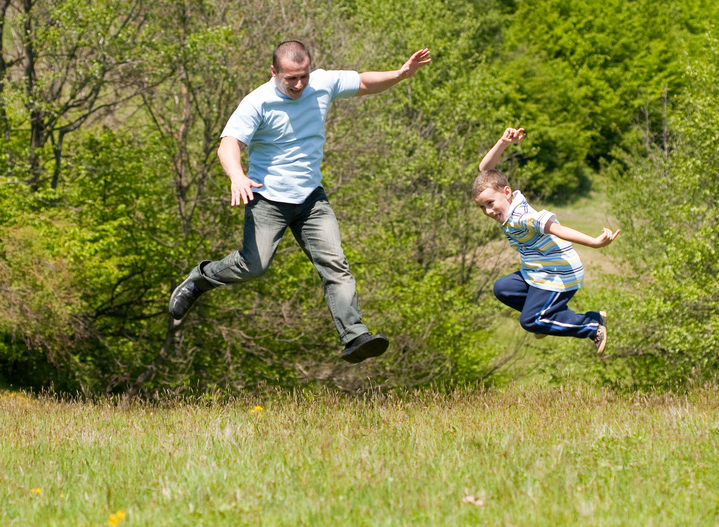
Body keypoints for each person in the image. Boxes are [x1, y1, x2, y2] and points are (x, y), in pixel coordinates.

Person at [169, 41, 431, 363]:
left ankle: (354, 335)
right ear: (274, 72)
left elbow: (363, 82)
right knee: (255, 266)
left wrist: (401, 74)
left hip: (310, 199)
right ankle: (201, 278)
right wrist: (237, 176)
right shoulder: (258, 103)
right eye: (290, 78)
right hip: (268, 199)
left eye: (303, 76)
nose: (298, 84)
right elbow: (229, 144)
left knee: (335, 264)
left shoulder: (321, 83)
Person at [474, 127, 620, 355]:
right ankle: (544, 316)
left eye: (490, 203)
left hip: (559, 273)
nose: (488, 211)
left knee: (529, 321)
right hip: (537, 271)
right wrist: (502, 143)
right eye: (482, 207)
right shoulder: (506, 202)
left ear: (507, 192)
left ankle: (591, 325)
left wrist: (594, 242)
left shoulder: (523, 218)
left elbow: (557, 229)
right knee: (502, 288)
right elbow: (485, 170)